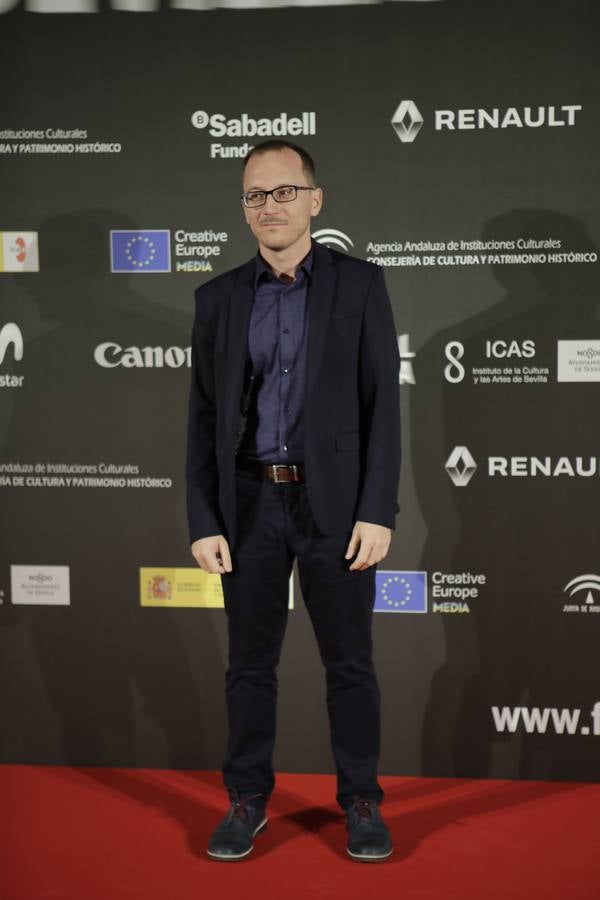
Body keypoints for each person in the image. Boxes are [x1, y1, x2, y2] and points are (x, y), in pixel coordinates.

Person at [186, 139, 401, 862]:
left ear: (315, 199)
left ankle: (362, 801)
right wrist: (202, 517)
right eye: (254, 195)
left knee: (351, 665)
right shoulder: (216, 299)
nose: (268, 206)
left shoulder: (361, 286)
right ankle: (246, 800)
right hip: (249, 505)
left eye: (282, 192)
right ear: (243, 209)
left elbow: (382, 410)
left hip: (335, 508)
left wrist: (378, 509)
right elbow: (202, 419)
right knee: (249, 666)